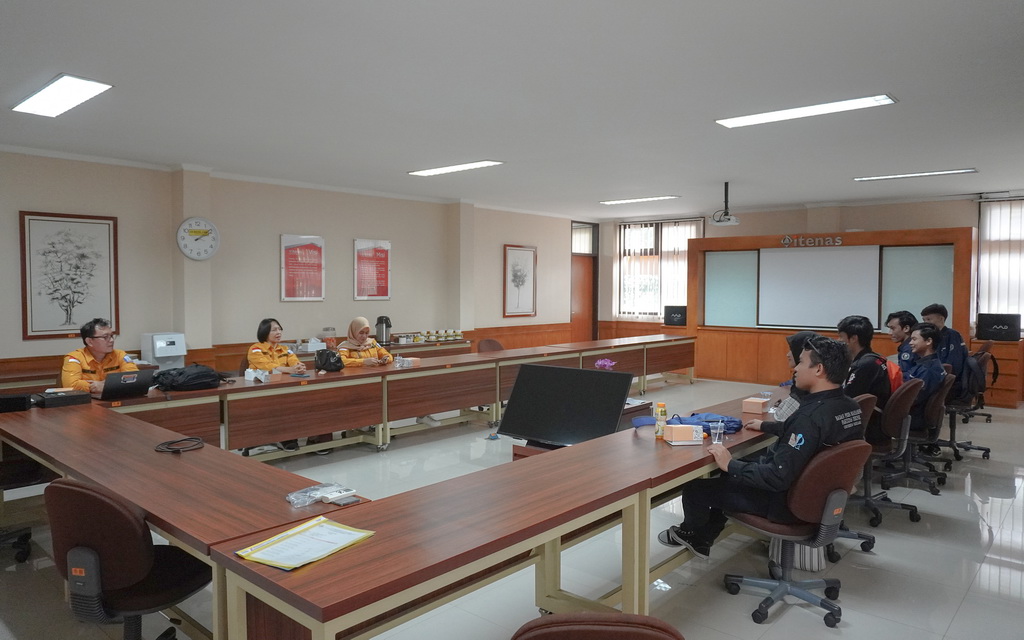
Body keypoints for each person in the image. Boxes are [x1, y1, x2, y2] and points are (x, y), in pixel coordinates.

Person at [658, 336, 863, 558]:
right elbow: (809, 436)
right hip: (820, 497)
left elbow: (777, 476)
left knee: (696, 488)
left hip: (787, 503)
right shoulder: (850, 406)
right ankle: (706, 534)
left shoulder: (809, 417)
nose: (796, 368)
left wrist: (730, 464)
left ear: (819, 369)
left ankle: (692, 534)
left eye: (802, 362)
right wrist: (766, 426)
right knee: (732, 473)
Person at [247, 318, 328, 453]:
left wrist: (300, 367)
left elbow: (294, 361)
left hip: (285, 387)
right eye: (274, 330)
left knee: (309, 400)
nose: (278, 332)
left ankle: (312, 436)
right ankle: (287, 438)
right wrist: (289, 370)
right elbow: (266, 366)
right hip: (263, 390)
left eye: (280, 329)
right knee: (288, 404)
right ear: (264, 332)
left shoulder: (285, 349)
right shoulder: (255, 349)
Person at [836, 315, 892, 443]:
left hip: (870, 428)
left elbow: (847, 399)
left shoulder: (865, 365)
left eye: (841, 337)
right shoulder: (871, 358)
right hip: (873, 421)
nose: (839, 340)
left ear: (853, 338)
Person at [61, 318, 139, 394]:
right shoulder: (74, 358)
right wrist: (94, 386)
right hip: (86, 400)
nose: (111, 340)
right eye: (105, 337)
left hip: (115, 397)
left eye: (111, 336)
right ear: (89, 341)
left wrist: (106, 385)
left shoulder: (120, 355)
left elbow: (135, 378)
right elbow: (70, 385)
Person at [904, 322, 949, 430]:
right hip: (917, 414)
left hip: (913, 418)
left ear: (928, 341)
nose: (910, 343)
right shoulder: (930, 363)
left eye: (914, 339)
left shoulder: (928, 370)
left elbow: (912, 399)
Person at [920, 303, 967, 395]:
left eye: (929, 319)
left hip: (947, 383)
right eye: (924, 320)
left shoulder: (952, 335)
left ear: (941, 319)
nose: (925, 323)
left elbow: (953, 365)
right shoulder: (930, 337)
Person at [885, 310, 918, 374]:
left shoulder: (909, 348)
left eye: (893, 328)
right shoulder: (908, 345)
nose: (889, 333)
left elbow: (904, 375)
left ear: (906, 328)